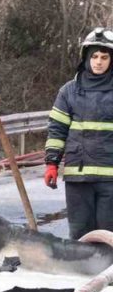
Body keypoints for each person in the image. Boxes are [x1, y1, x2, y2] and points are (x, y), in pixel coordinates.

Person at [43, 27, 113, 240]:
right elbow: (57, 130)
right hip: (78, 177)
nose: (98, 62)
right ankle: (81, 274)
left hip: (110, 179)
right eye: (94, 56)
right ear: (86, 57)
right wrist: (51, 163)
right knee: (80, 234)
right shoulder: (69, 91)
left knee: (108, 235)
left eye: (104, 57)